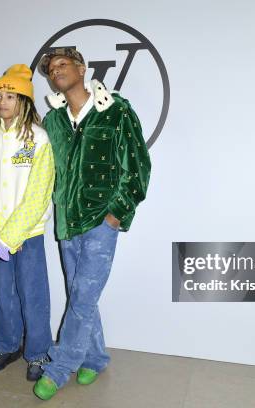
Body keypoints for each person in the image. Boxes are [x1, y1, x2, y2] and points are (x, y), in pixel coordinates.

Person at [32, 48, 152, 400]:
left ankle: (58, 368)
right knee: (82, 296)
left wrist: (117, 212)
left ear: (82, 69)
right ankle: (95, 357)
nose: (56, 72)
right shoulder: (52, 121)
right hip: (67, 222)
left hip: (101, 220)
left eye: (63, 65)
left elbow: (138, 165)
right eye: (51, 69)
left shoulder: (116, 109)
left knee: (83, 296)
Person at [0, 64, 54, 381]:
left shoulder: (39, 138)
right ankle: (5, 345)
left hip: (28, 234)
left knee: (33, 293)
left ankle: (38, 352)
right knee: (1, 291)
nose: (4, 102)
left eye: (11, 96)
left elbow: (39, 192)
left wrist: (12, 234)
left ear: (25, 101)